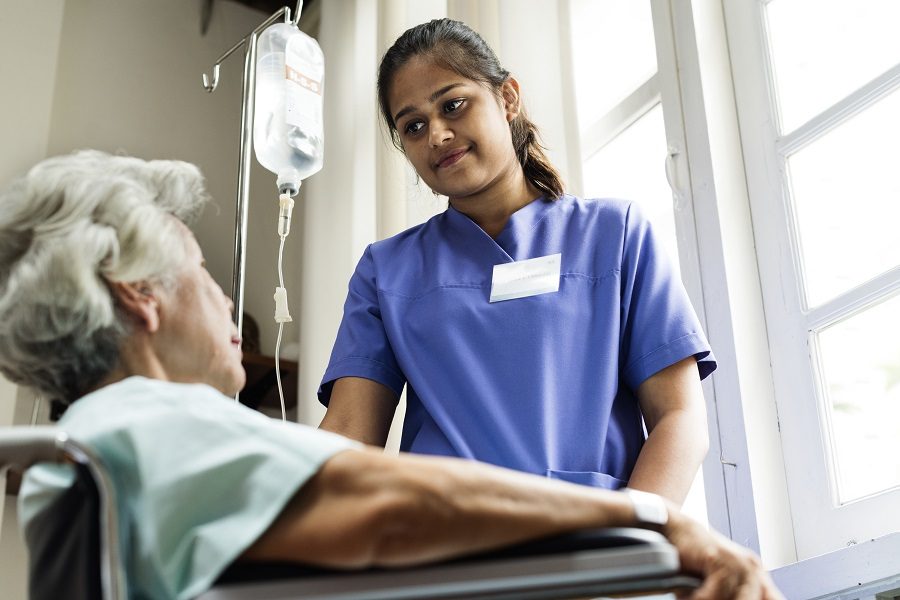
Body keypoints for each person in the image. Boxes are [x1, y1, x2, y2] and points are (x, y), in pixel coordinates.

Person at [0, 151, 780, 599]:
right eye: (202, 272)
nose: (226, 300)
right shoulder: (147, 421)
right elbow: (377, 500)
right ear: (139, 296)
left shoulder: (92, 444)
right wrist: (658, 522)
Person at [318, 18, 713, 504]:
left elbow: (680, 418)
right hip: (446, 552)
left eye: (453, 105)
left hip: (596, 545)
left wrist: (630, 547)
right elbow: (349, 435)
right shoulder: (386, 271)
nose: (437, 135)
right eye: (413, 126)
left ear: (507, 98)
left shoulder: (615, 234)